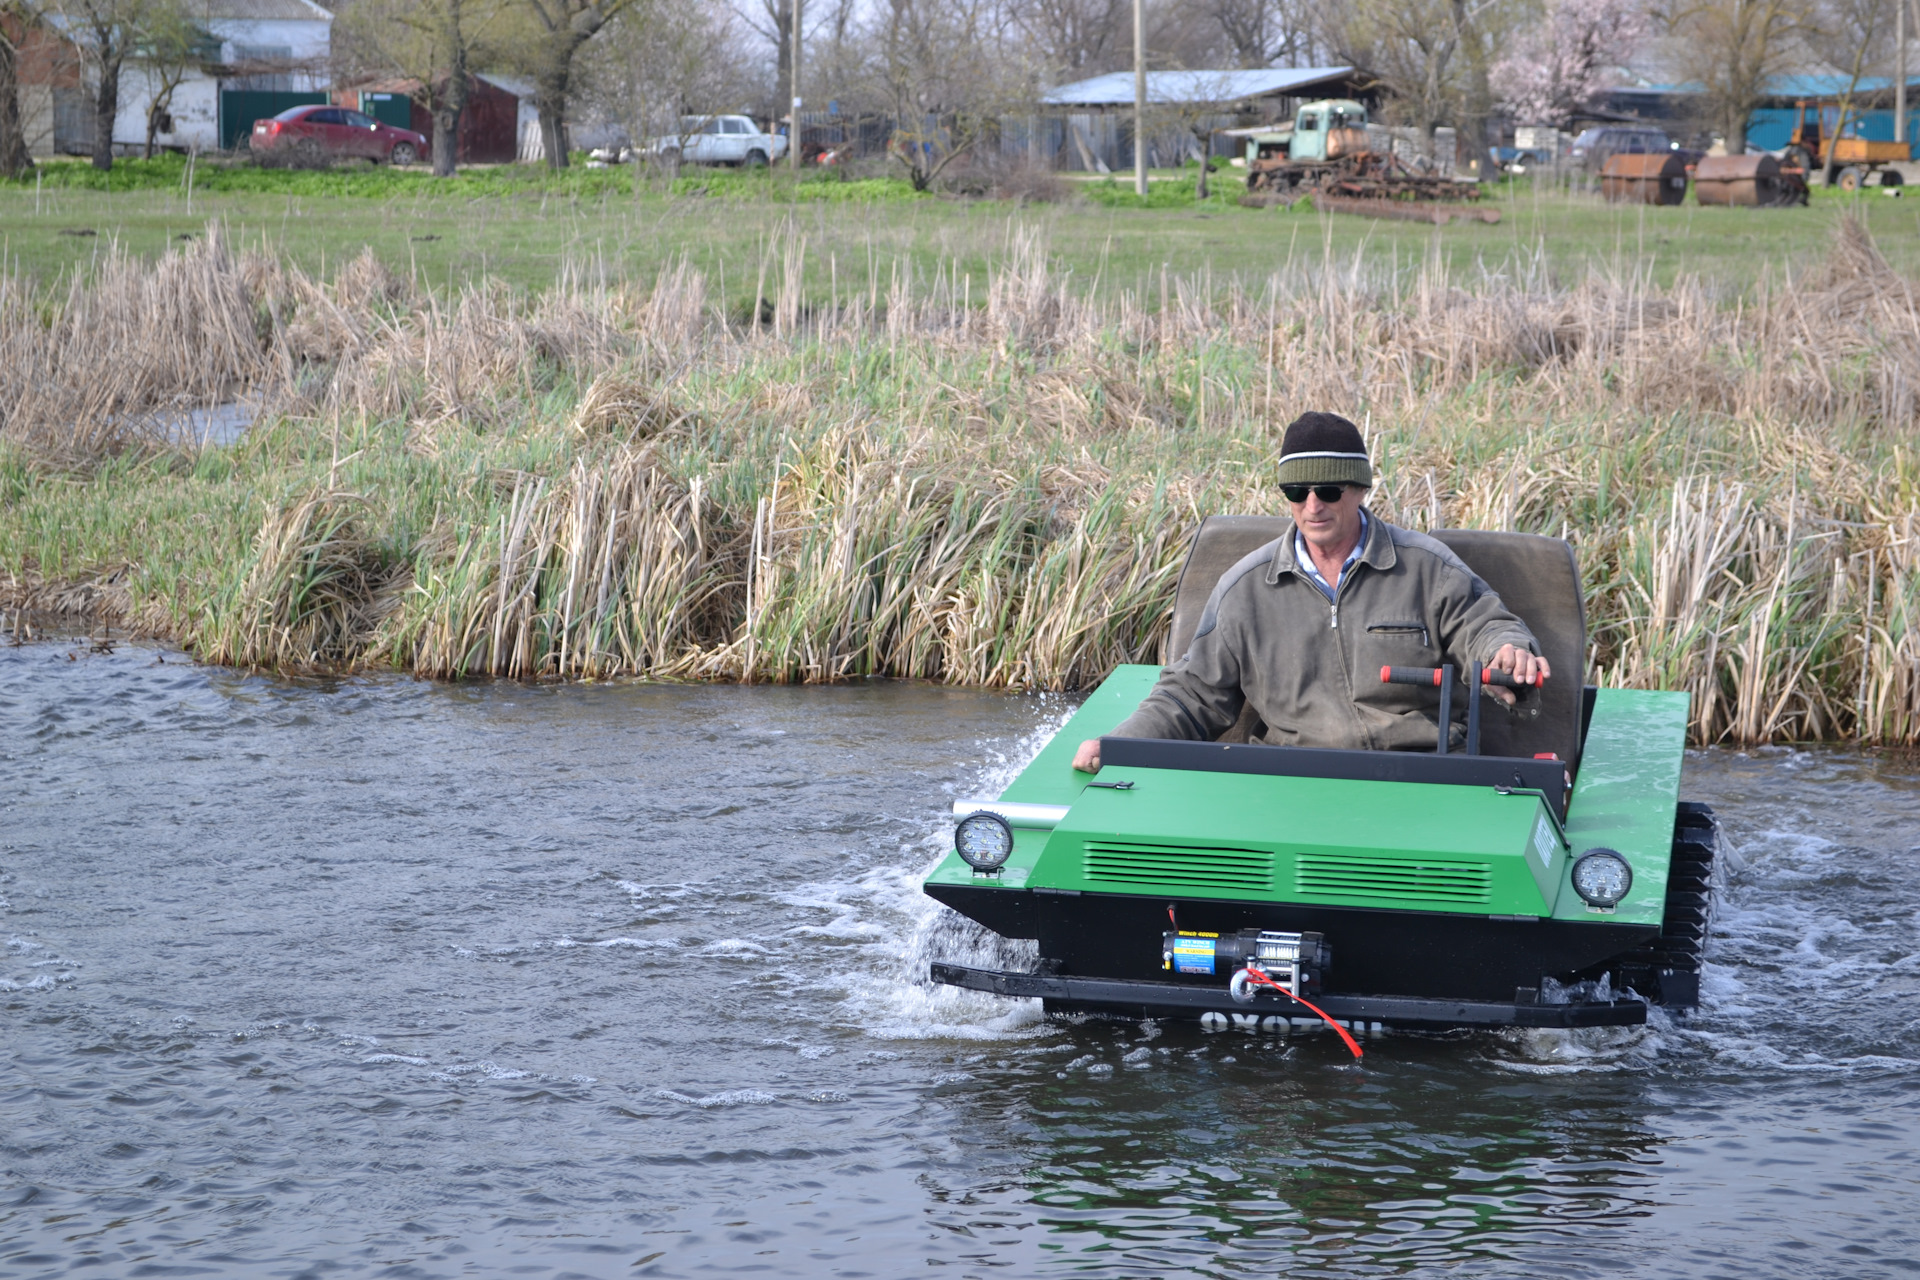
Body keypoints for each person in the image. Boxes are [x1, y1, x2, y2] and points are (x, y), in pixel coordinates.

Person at [1072, 411, 1549, 772]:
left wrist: (1508, 655)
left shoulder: (1430, 568)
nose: (1313, 505)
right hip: (1290, 776)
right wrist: (1118, 743)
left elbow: (1486, 626)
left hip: (1419, 773)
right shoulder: (1244, 588)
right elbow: (1192, 693)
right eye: (1297, 492)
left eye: (1327, 489)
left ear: (1359, 489)